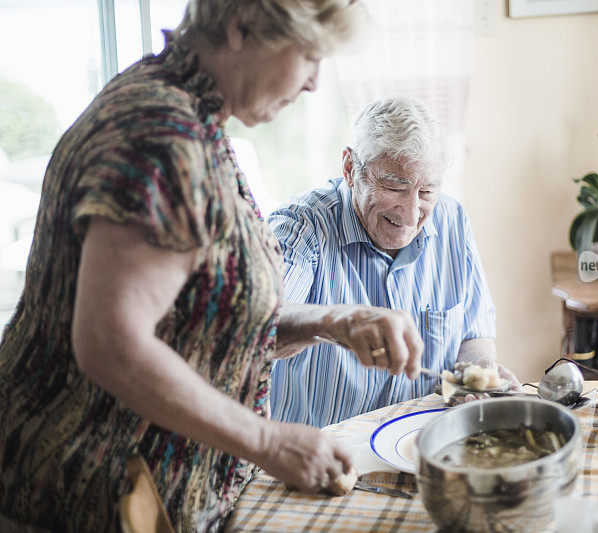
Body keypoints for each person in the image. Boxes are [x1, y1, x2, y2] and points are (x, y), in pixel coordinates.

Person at [0, 2, 425, 531]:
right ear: (241, 25)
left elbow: (197, 315)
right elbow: (112, 344)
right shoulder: (163, 138)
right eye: (310, 54)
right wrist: (268, 441)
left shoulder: (184, 110)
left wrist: (331, 323)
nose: (317, 81)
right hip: (88, 496)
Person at [268, 96, 521, 428]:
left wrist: (478, 374)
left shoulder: (452, 220)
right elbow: (256, 324)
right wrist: (334, 321)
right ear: (350, 169)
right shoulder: (302, 226)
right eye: (394, 187)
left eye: (427, 192)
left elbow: (474, 334)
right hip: (321, 458)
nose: (412, 214)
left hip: (421, 447)